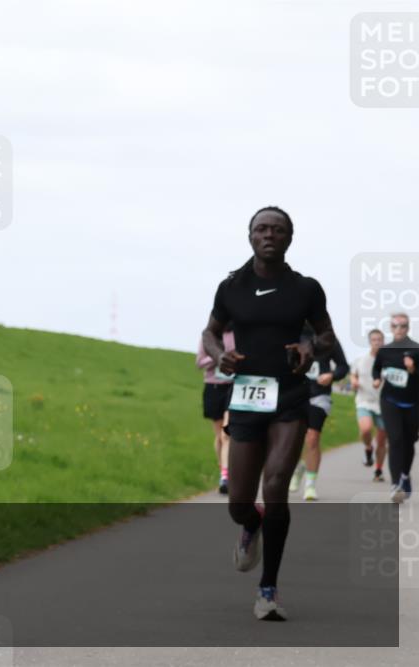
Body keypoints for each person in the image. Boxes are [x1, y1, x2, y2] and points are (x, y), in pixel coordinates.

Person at [202, 206, 335, 621]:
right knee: (240, 502)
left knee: (276, 483)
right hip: (245, 398)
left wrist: (311, 347)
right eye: (262, 229)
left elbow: (327, 335)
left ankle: (268, 589)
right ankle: (251, 522)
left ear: (289, 238)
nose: (269, 235)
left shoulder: (306, 288)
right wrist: (220, 354)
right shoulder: (231, 287)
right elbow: (209, 331)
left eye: (278, 230)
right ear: (250, 236)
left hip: (290, 397)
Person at [288, 327, 348, 501]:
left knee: (313, 437)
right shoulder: (291, 334)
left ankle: (310, 485)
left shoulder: (327, 339)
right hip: (293, 394)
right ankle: (299, 467)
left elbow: (343, 366)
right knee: (292, 438)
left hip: (319, 395)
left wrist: (332, 375)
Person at [372, 313, 418, 503]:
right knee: (396, 439)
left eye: (403, 326)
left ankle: (405, 475)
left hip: (413, 402)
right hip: (390, 400)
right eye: (395, 326)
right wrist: (376, 378)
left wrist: (413, 370)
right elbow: (377, 368)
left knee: (409, 442)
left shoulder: (416, 349)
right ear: (390, 328)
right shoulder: (385, 350)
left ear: (408, 328)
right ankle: (395, 484)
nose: (399, 329)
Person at [197, 325, 235, 494]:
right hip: (213, 387)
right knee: (219, 436)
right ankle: (223, 471)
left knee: (227, 434)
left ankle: (226, 477)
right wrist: (218, 357)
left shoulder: (236, 333)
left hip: (233, 386)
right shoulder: (208, 336)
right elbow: (199, 362)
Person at [351, 329, 388, 481]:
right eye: (374, 340)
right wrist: (353, 381)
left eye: (379, 339)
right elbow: (354, 373)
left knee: (382, 440)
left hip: (383, 404)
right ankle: (368, 448)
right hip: (364, 401)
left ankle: (378, 471)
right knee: (365, 429)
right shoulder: (360, 360)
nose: (377, 342)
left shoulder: (388, 361)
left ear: (383, 341)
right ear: (370, 341)